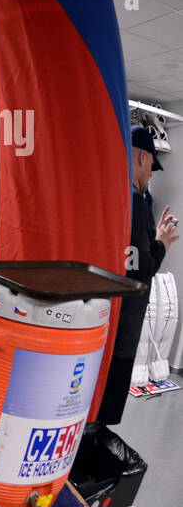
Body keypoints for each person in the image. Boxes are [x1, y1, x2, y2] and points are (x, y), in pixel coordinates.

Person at [97, 123, 178, 425]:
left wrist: (154, 238)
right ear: (143, 158)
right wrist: (163, 244)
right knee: (105, 409)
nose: (149, 176)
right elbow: (140, 268)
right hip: (123, 324)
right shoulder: (134, 202)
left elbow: (127, 254)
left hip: (104, 319)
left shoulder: (114, 196)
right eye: (151, 168)